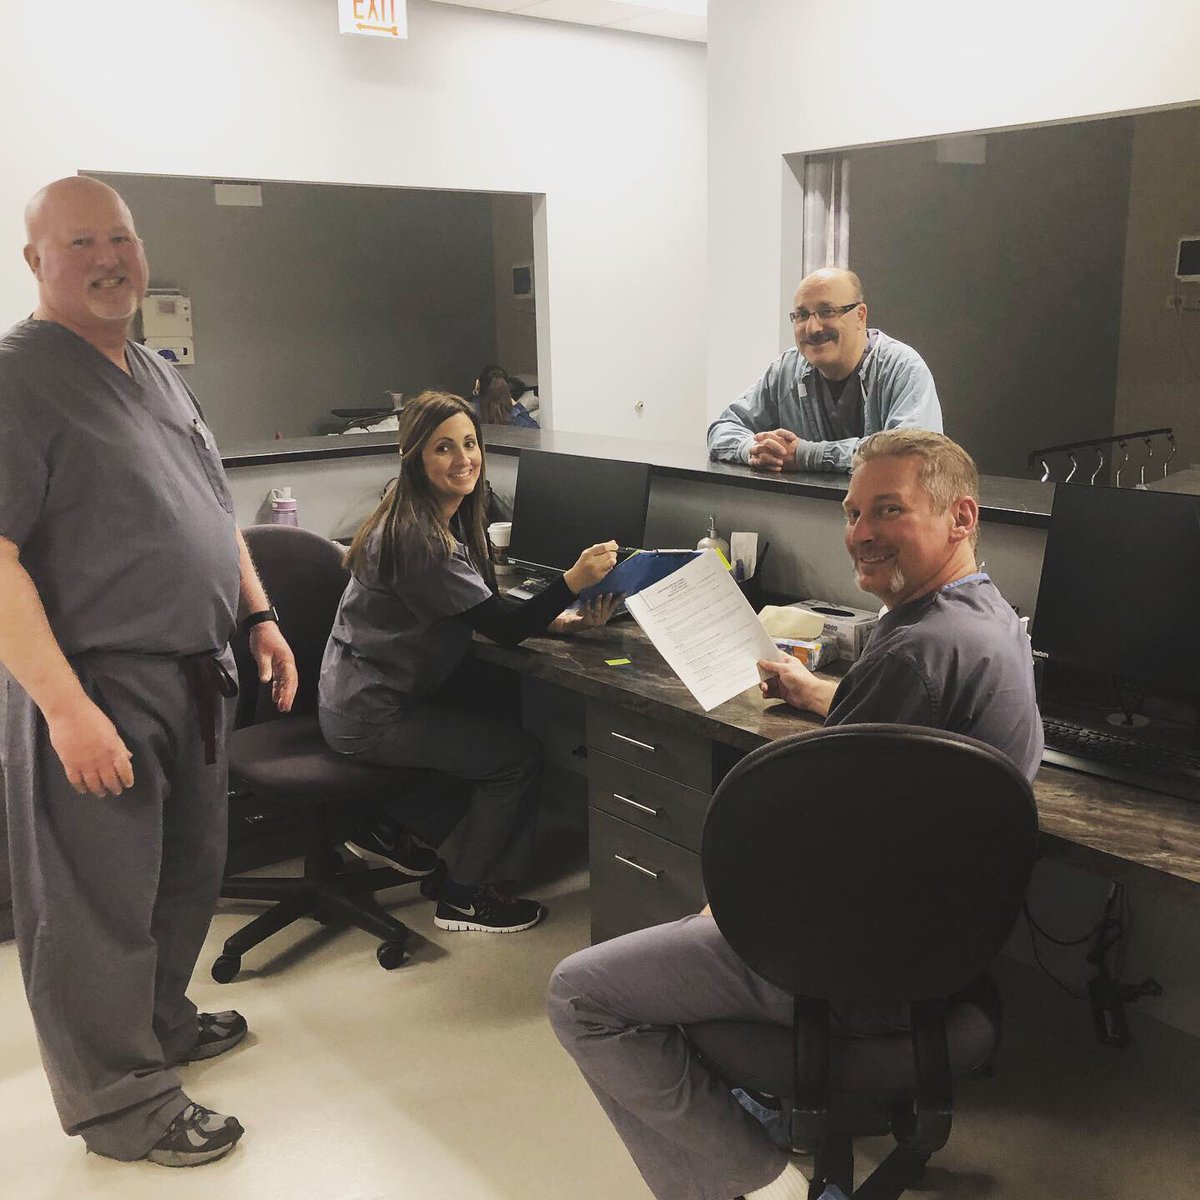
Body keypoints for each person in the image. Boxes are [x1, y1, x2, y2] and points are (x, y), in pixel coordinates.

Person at [547, 430, 1042, 1200]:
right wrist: (830, 696)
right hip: (934, 944)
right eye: (852, 512)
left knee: (581, 995)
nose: (859, 533)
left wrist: (726, 906)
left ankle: (760, 1183)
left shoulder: (909, 654)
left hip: (848, 965)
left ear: (961, 516)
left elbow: (812, 848)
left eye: (887, 510)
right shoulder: (989, 622)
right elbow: (912, 757)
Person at [0, 177, 298, 1167]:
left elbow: (213, 510)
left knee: (183, 875)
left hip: (196, 673)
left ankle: (161, 1026)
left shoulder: (156, 371)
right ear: (36, 260)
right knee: (95, 906)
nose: (107, 257)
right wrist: (64, 707)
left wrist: (257, 614)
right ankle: (123, 1105)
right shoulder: (17, 378)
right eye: (79, 240)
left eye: (121, 238)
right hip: (97, 682)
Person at [318, 390, 617, 933]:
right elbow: (501, 628)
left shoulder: (425, 514)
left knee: (489, 708)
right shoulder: (420, 540)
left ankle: (400, 831)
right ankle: (463, 895)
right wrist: (571, 581)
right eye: (444, 448)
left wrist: (557, 620)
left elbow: (481, 610)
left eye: (471, 443)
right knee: (516, 758)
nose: (465, 459)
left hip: (362, 693)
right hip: (371, 713)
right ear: (415, 458)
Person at [707, 267, 942, 474]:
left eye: (827, 311)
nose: (813, 327)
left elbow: (910, 457)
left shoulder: (902, 369)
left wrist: (806, 455)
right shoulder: (786, 371)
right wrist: (754, 449)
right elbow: (722, 428)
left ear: (860, 316)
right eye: (801, 315)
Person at [471, 363, 540, 429]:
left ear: (478, 383)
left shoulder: (470, 412)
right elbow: (536, 435)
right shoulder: (515, 416)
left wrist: (476, 391)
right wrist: (516, 406)